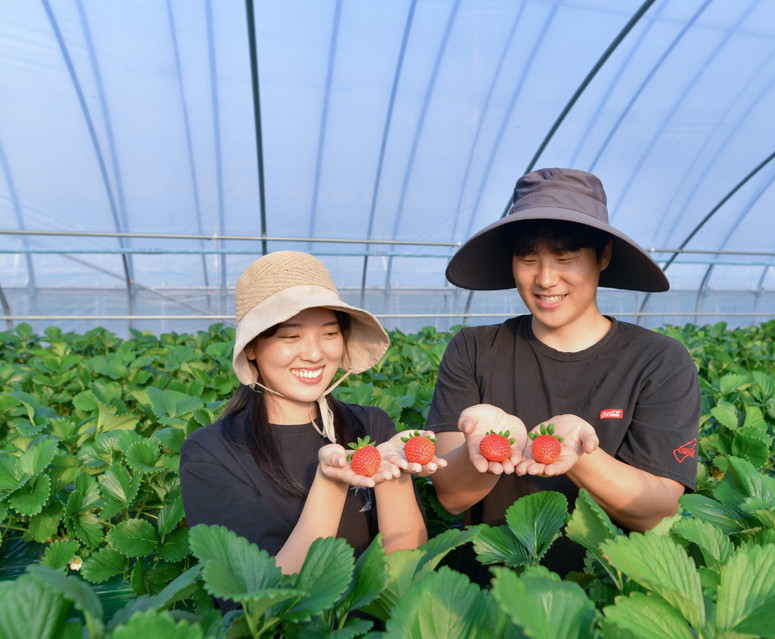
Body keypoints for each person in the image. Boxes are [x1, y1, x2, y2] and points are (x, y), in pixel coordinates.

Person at [426, 168, 701, 578]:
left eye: (566, 258)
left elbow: (657, 510)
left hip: (609, 596)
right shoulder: (474, 349)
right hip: (487, 598)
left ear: (603, 256)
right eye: (528, 259)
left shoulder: (658, 360)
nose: (545, 279)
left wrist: (579, 456)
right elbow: (451, 496)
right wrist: (483, 446)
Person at [180, 250, 443, 576]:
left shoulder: (372, 425)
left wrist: (395, 474)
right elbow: (259, 600)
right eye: (291, 336)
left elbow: (406, 572)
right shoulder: (211, 453)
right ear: (251, 348)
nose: (315, 353)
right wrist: (330, 482)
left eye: (330, 334)